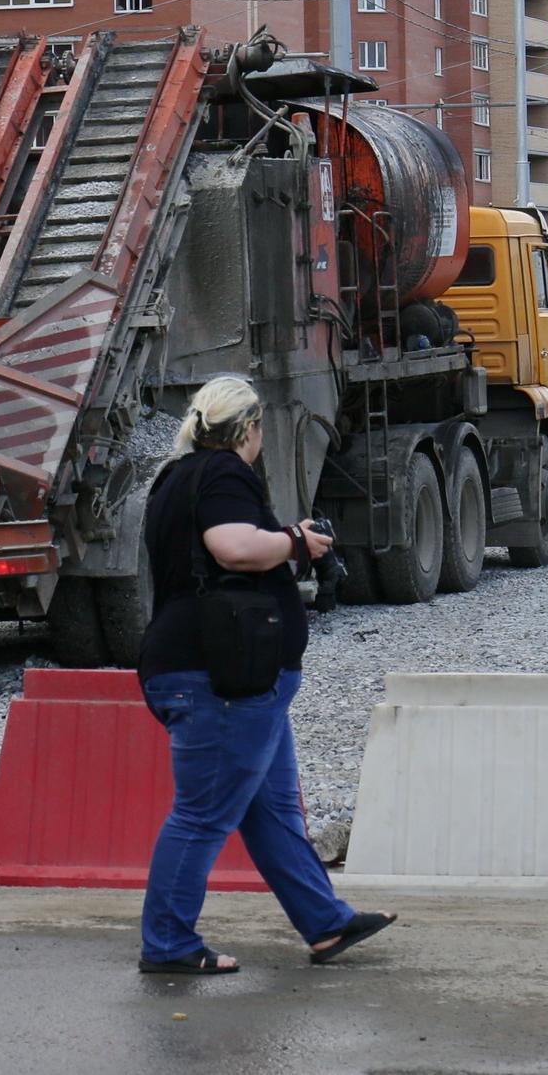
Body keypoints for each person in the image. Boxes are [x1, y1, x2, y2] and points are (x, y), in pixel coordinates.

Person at [135, 375, 396, 977]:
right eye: (259, 431)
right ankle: (168, 943)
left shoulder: (174, 477)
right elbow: (232, 547)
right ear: (251, 429)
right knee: (201, 814)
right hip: (221, 680)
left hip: (227, 680)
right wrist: (295, 541)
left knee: (273, 811)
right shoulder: (223, 473)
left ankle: (327, 924)